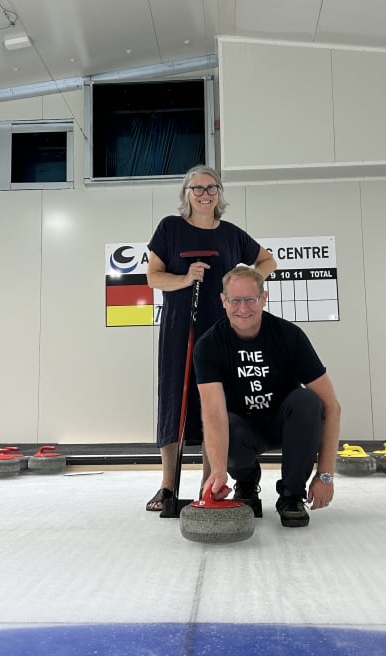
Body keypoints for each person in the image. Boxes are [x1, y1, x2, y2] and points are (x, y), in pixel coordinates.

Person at [145, 165, 276, 512]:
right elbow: (153, 277)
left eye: (211, 188)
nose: (204, 194)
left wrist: (247, 281)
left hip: (221, 334)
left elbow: (268, 261)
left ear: (219, 194)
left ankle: (211, 482)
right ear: (186, 194)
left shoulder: (232, 235)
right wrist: (185, 278)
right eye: (197, 188)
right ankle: (167, 486)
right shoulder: (170, 229)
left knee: (216, 406)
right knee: (174, 402)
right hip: (178, 330)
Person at [193, 266, 341, 527]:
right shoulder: (209, 345)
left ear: (264, 298)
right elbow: (214, 413)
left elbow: (332, 406)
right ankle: (247, 480)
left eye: (250, 299)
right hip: (242, 428)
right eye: (235, 300)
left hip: (284, 423)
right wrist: (218, 471)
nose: (243, 308)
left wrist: (326, 475)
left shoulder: (289, 336)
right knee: (226, 423)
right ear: (223, 301)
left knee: (308, 401)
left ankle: (291, 494)